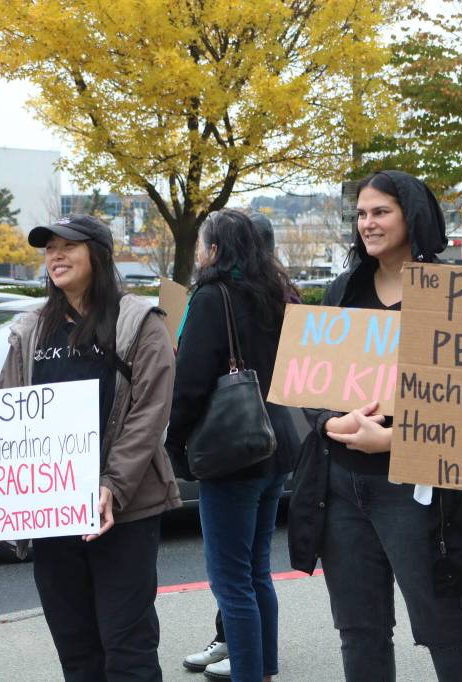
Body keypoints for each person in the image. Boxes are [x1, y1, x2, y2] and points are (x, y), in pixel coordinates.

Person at [288, 170, 462, 681]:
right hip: (340, 491)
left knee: (443, 625)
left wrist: (396, 441)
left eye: (380, 212)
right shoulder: (342, 289)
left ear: (412, 216)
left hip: (416, 491)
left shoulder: (455, 292)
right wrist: (333, 419)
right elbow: (313, 386)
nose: (367, 223)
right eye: (361, 214)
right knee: (358, 630)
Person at [0, 214, 180, 681]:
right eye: (49, 249)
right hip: (55, 516)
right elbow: (9, 415)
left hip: (123, 513)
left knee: (128, 649)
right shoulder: (31, 330)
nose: (56, 256)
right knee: (77, 650)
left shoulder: (138, 322)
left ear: (98, 256)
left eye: (68, 246)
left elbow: (150, 413)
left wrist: (112, 486)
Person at [165, 209, 297, 682]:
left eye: (202, 244)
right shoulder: (274, 296)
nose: (199, 252)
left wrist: (175, 444)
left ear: (215, 250)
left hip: (232, 453)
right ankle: (262, 668)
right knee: (257, 570)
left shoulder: (211, 297)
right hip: (275, 446)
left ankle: (248, 672)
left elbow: (191, 384)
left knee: (231, 580)